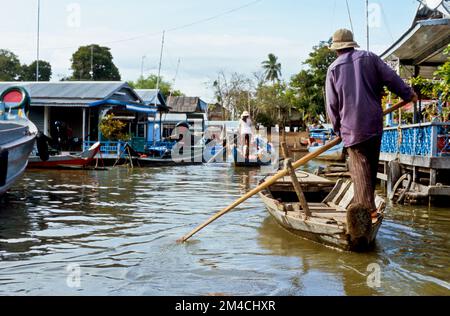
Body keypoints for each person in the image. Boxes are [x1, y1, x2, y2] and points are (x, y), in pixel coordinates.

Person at [325, 29, 418, 219]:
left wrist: (337, 129)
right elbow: (392, 79)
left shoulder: (333, 69)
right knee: (370, 167)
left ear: (336, 49)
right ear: (352, 44)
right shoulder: (370, 58)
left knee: (359, 168)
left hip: (351, 127)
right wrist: (408, 94)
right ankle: (367, 207)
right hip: (373, 123)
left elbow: (332, 105)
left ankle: (367, 210)